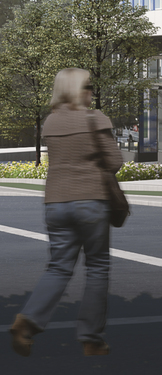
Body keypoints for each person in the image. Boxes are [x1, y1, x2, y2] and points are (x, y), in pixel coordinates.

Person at [10, 68, 119, 357]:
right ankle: (91, 338)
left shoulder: (50, 122)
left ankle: (27, 322)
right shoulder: (95, 119)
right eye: (88, 86)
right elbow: (115, 161)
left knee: (58, 266)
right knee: (97, 267)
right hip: (90, 200)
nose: (92, 91)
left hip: (55, 203)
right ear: (76, 90)